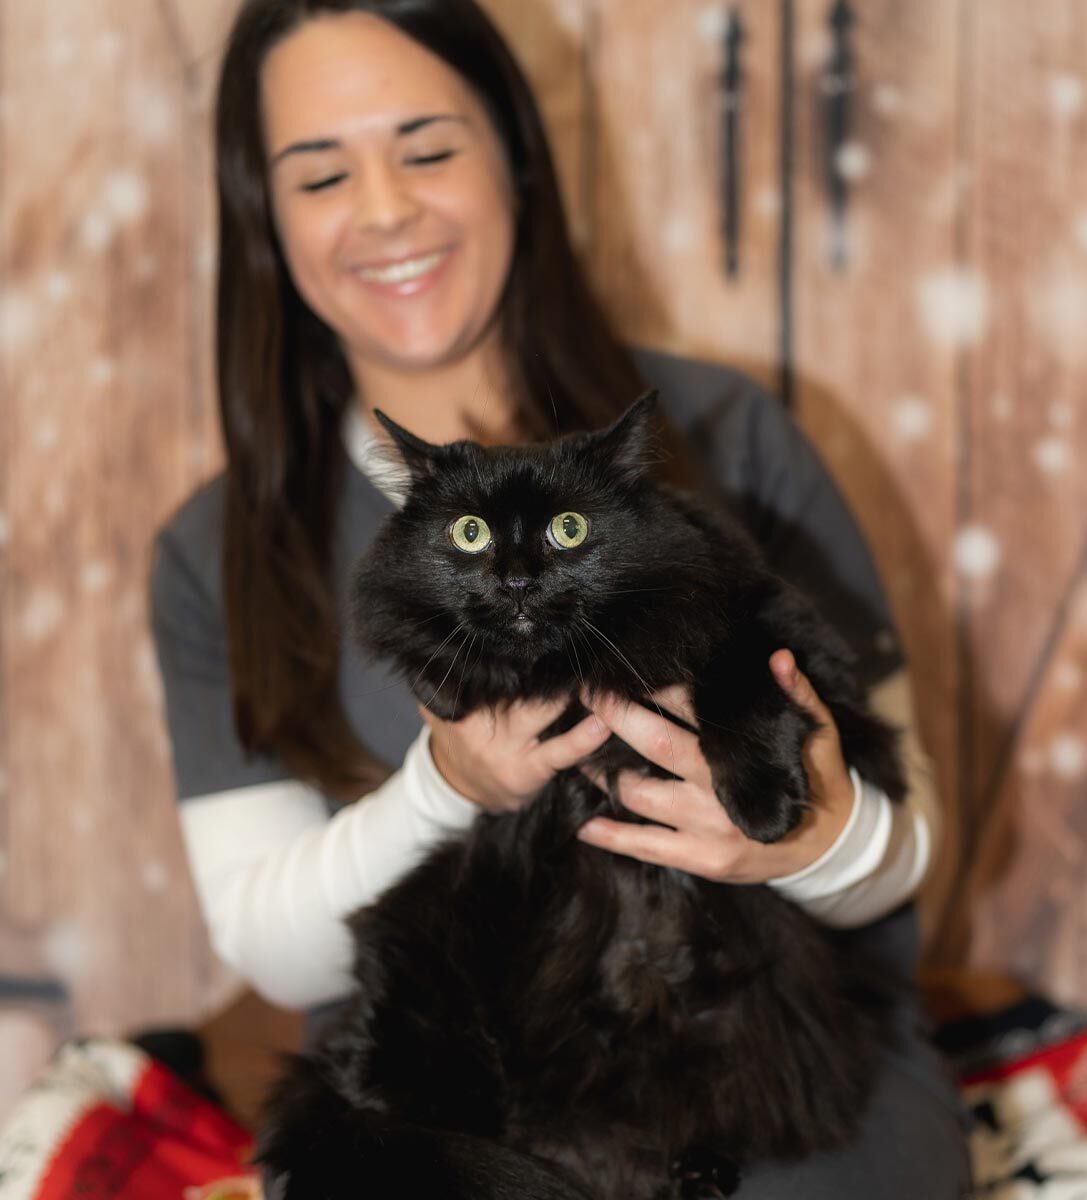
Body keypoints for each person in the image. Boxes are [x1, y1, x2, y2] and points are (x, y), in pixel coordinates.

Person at [149, 1, 971, 1195]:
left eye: (428, 149)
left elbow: (913, 850)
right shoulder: (215, 546)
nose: (386, 209)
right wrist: (444, 788)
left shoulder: (730, 433)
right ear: (262, 217)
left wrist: (812, 839)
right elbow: (275, 951)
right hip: (467, 1062)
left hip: (768, 1047)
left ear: (517, 163)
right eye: (321, 174)